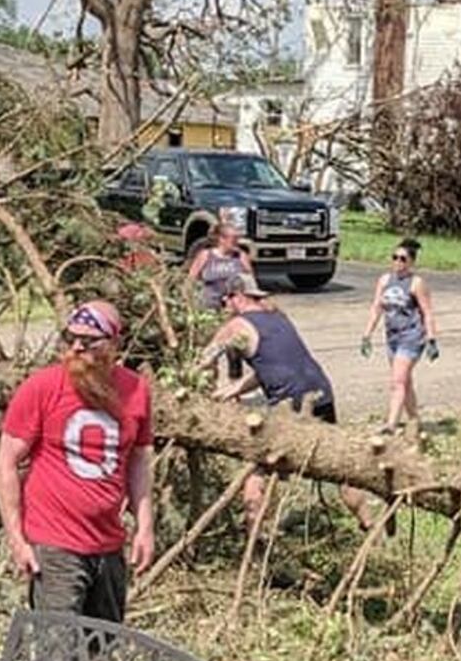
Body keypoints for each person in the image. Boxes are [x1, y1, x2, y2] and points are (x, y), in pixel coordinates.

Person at [0, 298, 155, 622]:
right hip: (55, 546)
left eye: (89, 340)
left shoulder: (136, 390)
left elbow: (138, 460)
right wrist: (18, 540)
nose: (77, 348)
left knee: (101, 648)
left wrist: (145, 527)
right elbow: (6, 463)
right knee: (57, 651)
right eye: (71, 339)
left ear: (114, 344)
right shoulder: (42, 387)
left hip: (108, 545)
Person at [200, 275, 371, 525]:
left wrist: (200, 390)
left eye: (225, 300)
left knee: (257, 465)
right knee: (338, 465)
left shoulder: (236, 325)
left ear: (238, 297)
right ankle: (368, 521)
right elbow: (274, 366)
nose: (223, 307)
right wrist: (234, 390)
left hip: (290, 402)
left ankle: (255, 533)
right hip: (320, 392)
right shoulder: (277, 317)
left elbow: (204, 360)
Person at [361, 236, 439, 436]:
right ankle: (414, 420)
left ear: (412, 262)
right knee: (405, 382)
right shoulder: (385, 280)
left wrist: (431, 339)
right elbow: (376, 307)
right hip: (393, 338)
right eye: (394, 257)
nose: (398, 262)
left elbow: (427, 312)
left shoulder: (417, 283)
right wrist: (367, 335)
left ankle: (390, 425)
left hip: (411, 337)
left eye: (403, 259)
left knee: (397, 382)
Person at [186, 212, 253, 312]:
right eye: (233, 239)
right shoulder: (206, 255)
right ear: (222, 239)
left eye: (238, 238)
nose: (237, 242)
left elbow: (251, 282)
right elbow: (190, 279)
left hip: (233, 306)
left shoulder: (240, 256)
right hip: (208, 305)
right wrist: (188, 302)